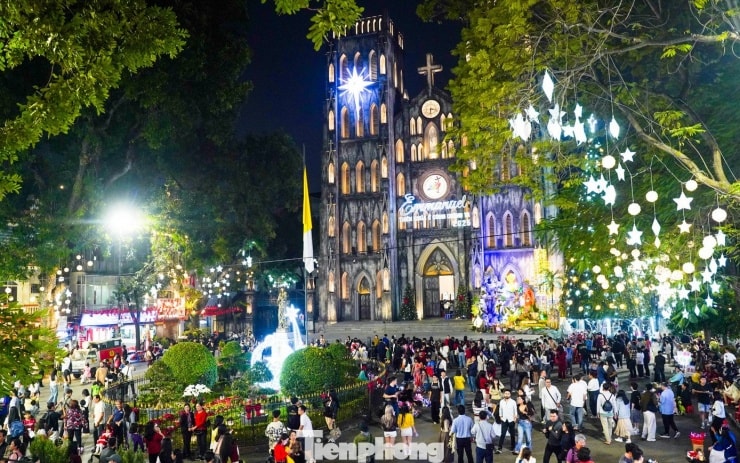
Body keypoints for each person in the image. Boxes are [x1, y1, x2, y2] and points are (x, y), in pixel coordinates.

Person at [496, 389, 517, 454]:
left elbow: (515, 411)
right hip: (504, 420)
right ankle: (499, 448)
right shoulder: (501, 401)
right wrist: (500, 417)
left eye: (508, 393)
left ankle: (513, 447)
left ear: (510, 394)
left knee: (512, 434)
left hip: (511, 420)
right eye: (505, 393)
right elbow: (500, 410)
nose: (507, 395)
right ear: (504, 394)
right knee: (503, 434)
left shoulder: (513, 402)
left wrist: (515, 419)